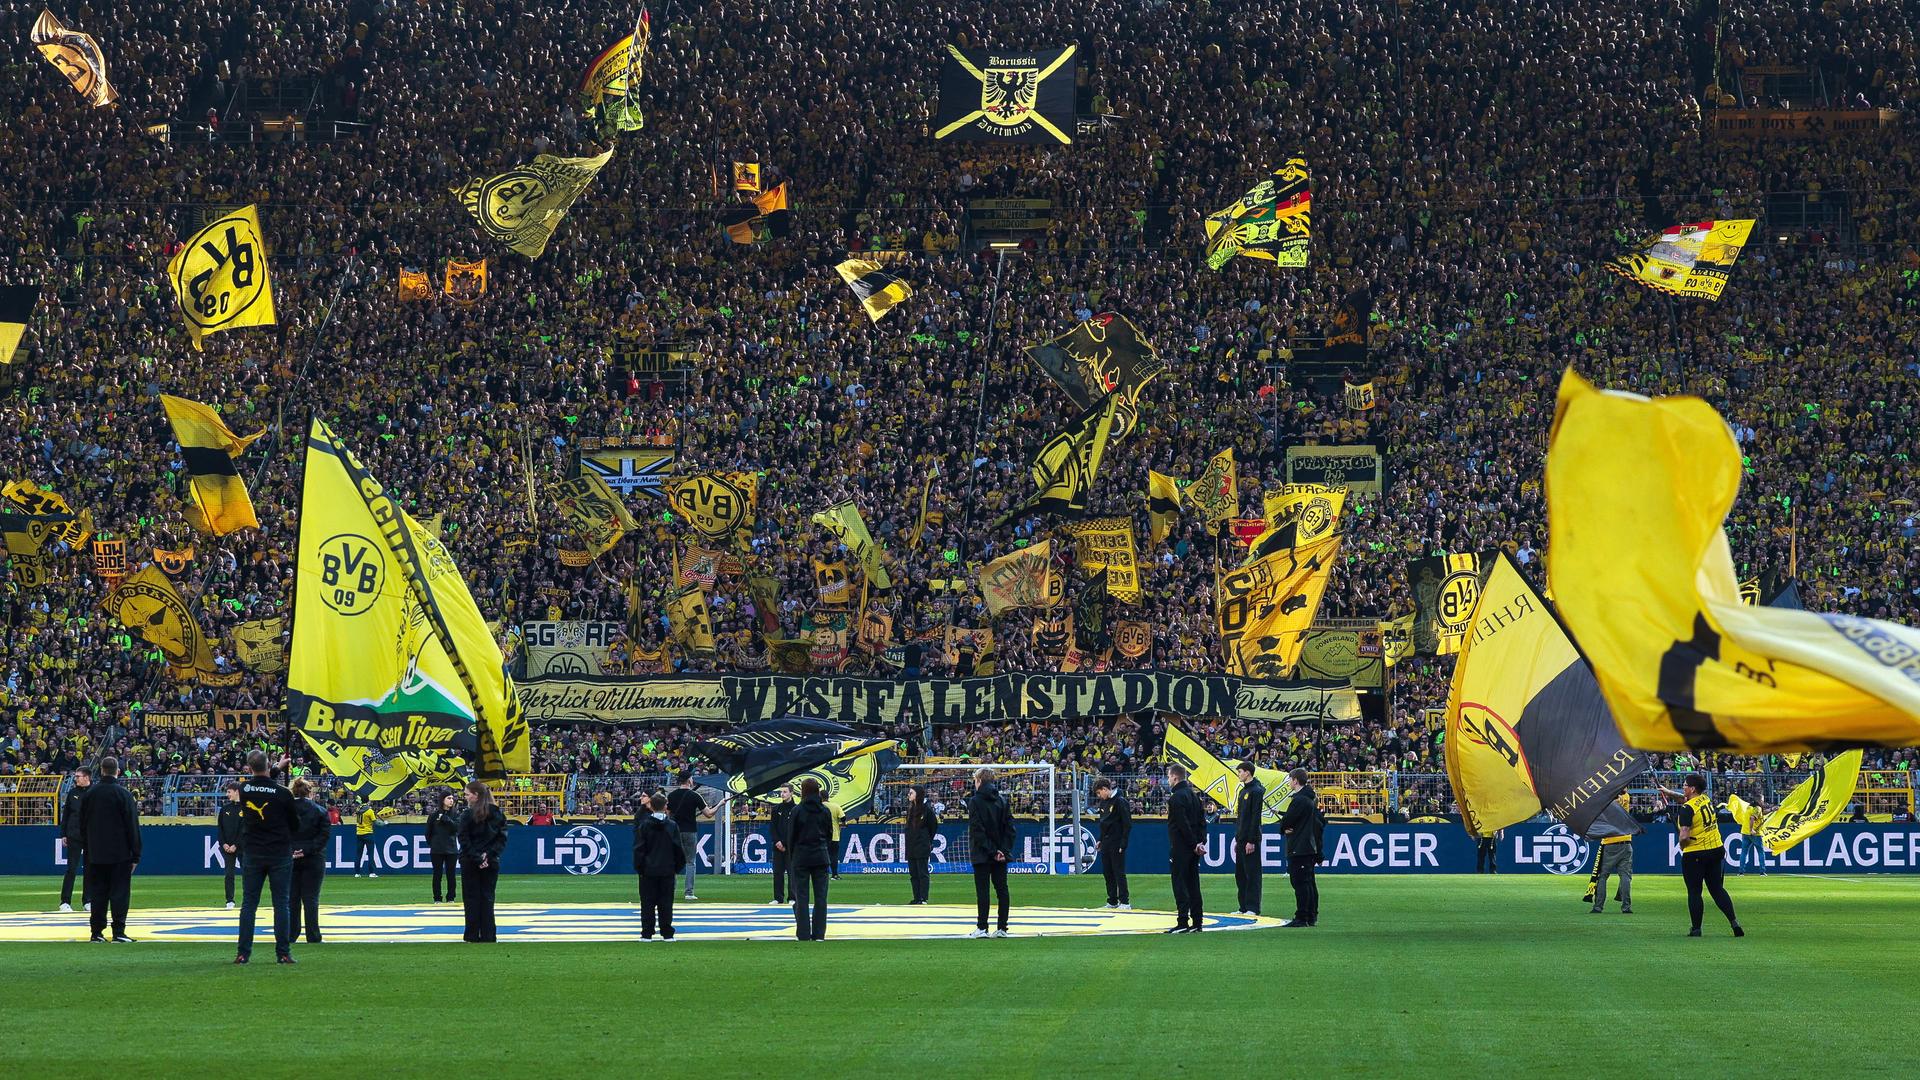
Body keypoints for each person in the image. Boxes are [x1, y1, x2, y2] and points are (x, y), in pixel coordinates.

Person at [235, 750, 301, 964]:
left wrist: (275, 769)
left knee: (249, 904)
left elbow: (260, 784)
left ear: (248, 766)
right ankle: (283, 952)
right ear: (268, 764)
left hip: (253, 852)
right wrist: (277, 769)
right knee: (281, 903)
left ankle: (243, 952)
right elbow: (295, 824)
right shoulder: (283, 793)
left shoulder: (244, 789)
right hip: (279, 852)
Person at [1663, 775, 1744, 938]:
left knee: (1694, 891)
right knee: (1717, 889)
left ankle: (1696, 928)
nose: (1683, 788)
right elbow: (1686, 800)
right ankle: (1734, 923)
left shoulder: (1687, 809)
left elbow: (1684, 835)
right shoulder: (1705, 799)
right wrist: (1667, 792)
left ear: (1692, 789)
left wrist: (1681, 845)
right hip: (1715, 849)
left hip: (1695, 853)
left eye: (1685, 785)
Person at [79, 756, 140, 943]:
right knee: (120, 893)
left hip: (95, 853)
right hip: (120, 853)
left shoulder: (90, 794)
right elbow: (132, 826)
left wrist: (87, 848)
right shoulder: (123, 794)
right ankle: (119, 932)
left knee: (98, 893)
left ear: (101, 770)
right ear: (117, 771)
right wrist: (135, 855)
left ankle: (96, 932)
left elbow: (81, 824)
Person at [966, 768, 1015, 938]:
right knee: (1002, 889)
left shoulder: (974, 801)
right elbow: (1010, 829)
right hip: (1000, 854)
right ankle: (1002, 928)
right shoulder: (1002, 800)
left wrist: (992, 851)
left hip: (982, 853)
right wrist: (1002, 850)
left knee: (983, 890)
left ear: (979, 780)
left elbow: (977, 830)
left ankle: (982, 928)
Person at [459, 780, 509, 942]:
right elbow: (501, 839)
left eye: (467, 794)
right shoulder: (497, 813)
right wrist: (489, 855)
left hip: (470, 861)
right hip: (491, 861)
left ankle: (472, 934)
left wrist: (477, 857)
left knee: (471, 898)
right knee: (487, 897)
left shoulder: (467, 815)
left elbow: (464, 839)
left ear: (476, 795)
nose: (465, 797)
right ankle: (488, 934)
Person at [786, 778, 834, 940]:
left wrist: (793, 856)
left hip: (801, 857)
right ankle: (819, 933)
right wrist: (822, 847)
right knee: (821, 897)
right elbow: (829, 835)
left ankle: (803, 933)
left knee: (801, 896)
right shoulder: (825, 811)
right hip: (820, 856)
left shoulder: (797, 810)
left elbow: (791, 836)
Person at [634, 792, 685, 940]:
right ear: (665, 806)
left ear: (651, 805)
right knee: (666, 903)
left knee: (647, 903)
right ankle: (667, 932)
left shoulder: (644, 825)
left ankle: (646, 933)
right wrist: (676, 868)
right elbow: (678, 849)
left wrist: (640, 869)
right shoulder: (672, 826)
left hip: (648, 871)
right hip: (667, 870)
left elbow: (639, 849)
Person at [1278, 768, 1322, 928]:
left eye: (1290, 779)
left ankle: (1302, 916)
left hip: (1299, 846)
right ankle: (1311, 915)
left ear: (1295, 780)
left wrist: (1283, 826)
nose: (1289, 782)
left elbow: (1288, 820)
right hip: (1308, 846)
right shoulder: (1309, 799)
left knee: (1300, 882)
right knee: (1308, 882)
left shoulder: (1299, 800)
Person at [288, 778, 330, 944]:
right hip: (313, 858)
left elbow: (279, 832)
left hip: (290, 857)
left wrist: (291, 850)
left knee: (292, 898)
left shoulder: (285, 811)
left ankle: (291, 934)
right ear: (309, 792)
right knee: (311, 898)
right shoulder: (319, 811)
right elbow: (324, 836)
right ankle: (313, 935)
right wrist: (307, 850)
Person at [1165, 763, 1206, 933]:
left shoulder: (1176, 798)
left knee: (1180, 883)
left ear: (1175, 777)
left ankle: (1183, 921)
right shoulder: (1194, 795)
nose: (1168, 779)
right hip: (1194, 848)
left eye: (1169, 776)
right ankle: (1197, 922)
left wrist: (1192, 843)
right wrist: (1200, 843)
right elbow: (1202, 822)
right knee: (1193, 884)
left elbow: (1182, 824)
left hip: (1182, 847)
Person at [665, 772, 710, 900]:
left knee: (672, 862)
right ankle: (689, 893)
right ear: (689, 780)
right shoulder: (695, 795)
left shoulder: (671, 795)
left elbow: (667, 815)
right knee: (691, 862)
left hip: (675, 832)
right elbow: (708, 814)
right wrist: (720, 804)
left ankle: (670, 891)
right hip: (690, 831)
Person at [1233, 762, 1266, 916]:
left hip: (1249, 839)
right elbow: (1241, 818)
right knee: (1240, 874)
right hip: (1241, 838)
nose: (1238, 774)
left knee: (1252, 874)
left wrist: (1251, 840)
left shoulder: (1256, 791)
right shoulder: (1243, 791)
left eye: (1240, 771)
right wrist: (1237, 838)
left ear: (1247, 773)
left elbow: (1255, 817)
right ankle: (1243, 906)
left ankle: (1253, 907)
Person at [1093, 778, 1131, 910]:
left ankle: (1125, 902)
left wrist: (1123, 842)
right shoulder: (1103, 803)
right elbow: (1103, 824)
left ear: (1105, 789)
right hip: (1106, 842)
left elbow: (1127, 824)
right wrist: (1100, 839)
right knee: (1107, 872)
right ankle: (1113, 901)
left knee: (1118, 872)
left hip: (1117, 841)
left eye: (1099, 793)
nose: (1099, 796)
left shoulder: (1120, 801)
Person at [57, 766, 90, 913]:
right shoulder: (72, 793)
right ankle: (65, 902)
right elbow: (66, 816)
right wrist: (63, 834)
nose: (75, 778)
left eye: (78, 776)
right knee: (71, 869)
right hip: (74, 835)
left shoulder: (95, 792)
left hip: (90, 836)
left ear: (86, 777)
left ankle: (88, 901)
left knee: (90, 869)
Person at [902, 785, 939, 905]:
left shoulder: (926, 809)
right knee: (913, 874)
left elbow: (933, 825)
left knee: (922, 873)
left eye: (911, 793)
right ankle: (916, 897)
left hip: (922, 845)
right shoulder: (910, 809)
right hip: (911, 846)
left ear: (917, 794)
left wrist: (927, 839)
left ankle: (923, 898)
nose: (909, 795)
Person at [1589, 825, 1634, 916]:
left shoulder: (1604, 813)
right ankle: (1626, 907)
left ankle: (1598, 907)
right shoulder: (1625, 811)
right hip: (1626, 844)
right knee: (1625, 876)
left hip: (1610, 845)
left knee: (1602, 877)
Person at [426, 792, 462, 903]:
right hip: (437, 849)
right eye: (449, 798)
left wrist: (447, 820)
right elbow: (428, 833)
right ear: (442, 800)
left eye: (452, 798)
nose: (451, 800)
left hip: (451, 849)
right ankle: (437, 898)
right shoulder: (433, 815)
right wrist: (433, 844)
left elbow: (457, 828)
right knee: (437, 874)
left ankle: (451, 898)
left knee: (451, 875)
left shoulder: (456, 814)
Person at [217, 782, 246, 908]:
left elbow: (244, 829)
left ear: (236, 792)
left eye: (229, 792)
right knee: (229, 874)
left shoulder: (246, 808)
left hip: (243, 847)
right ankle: (230, 900)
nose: (227, 794)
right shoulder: (225, 809)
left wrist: (236, 844)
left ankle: (248, 900)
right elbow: (220, 829)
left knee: (247, 874)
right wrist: (223, 844)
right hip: (227, 848)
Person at [768, 785, 796, 905]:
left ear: (791, 793)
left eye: (785, 792)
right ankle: (778, 898)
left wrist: (785, 842)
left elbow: (796, 829)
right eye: (781, 792)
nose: (782, 794)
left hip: (791, 847)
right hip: (777, 846)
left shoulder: (796, 809)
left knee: (792, 873)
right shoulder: (776, 809)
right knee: (778, 873)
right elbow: (773, 827)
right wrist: (777, 841)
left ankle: (792, 897)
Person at [353, 801, 380, 877]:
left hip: (359, 833)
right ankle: (371, 873)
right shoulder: (369, 811)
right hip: (368, 833)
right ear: (368, 801)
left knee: (358, 854)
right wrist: (384, 824)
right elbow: (375, 822)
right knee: (370, 854)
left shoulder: (358, 808)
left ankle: (357, 873)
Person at [828, 798, 846, 880]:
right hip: (834, 835)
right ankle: (834, 875)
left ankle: (819, 875)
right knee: (834, 856)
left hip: (820, 837)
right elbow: (843, 817)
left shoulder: (818, 807)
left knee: (820, 856)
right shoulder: (835, 806)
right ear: (828, 797)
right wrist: (843, 824)